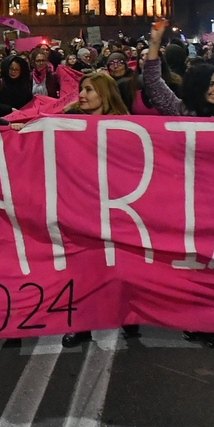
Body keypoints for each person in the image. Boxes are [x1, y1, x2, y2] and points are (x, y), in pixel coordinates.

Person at [141, 22, 214, 347]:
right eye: (210, 84)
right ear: (196, 86)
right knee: (195, 264)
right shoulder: (181, 111)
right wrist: (155, 43)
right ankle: (198, 319)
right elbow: (153, 83)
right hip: (189, 201)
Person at [60, 71, 139, 347]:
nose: (81, 95)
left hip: (116, 205)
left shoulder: (125, 126)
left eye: (89, 90)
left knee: (121, 263)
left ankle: (128, 315)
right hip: (81, 205)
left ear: (104, 95)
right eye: (81, 90)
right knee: (83, 266)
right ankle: (82, 323)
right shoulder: (67, 122)